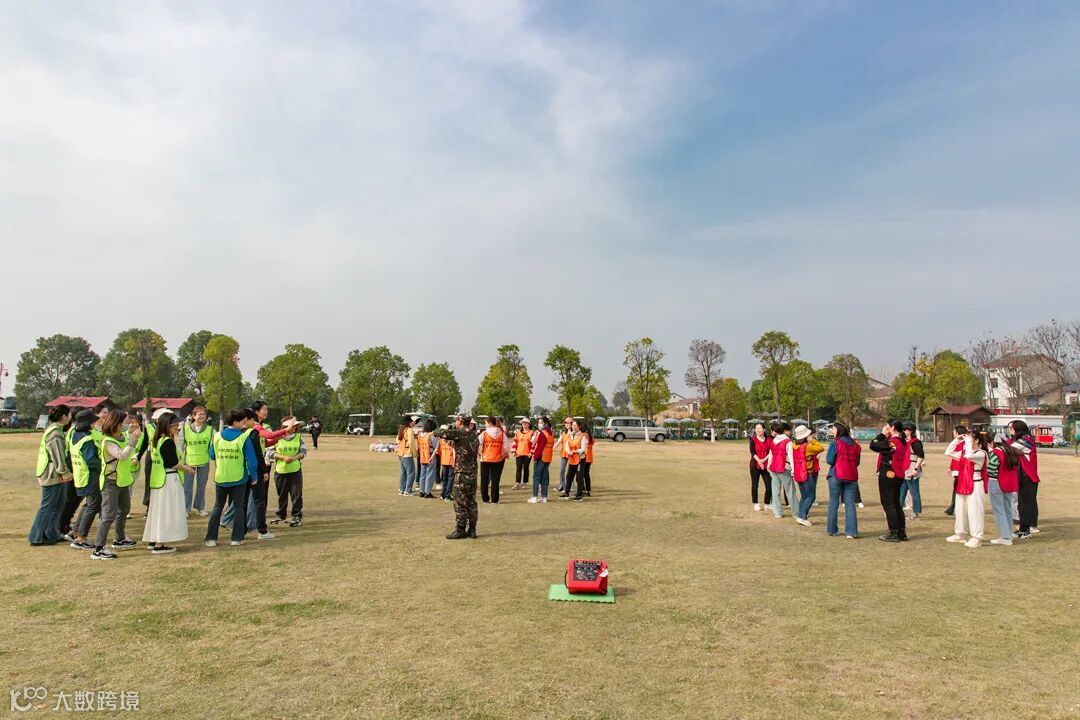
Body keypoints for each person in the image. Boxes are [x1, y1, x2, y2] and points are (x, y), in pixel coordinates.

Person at [91, 410, 141, 560]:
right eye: (123, 422)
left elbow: (125, 442)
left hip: (123, 480)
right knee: (108, 514)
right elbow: (122, 455)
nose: (126, 424)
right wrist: (133, 440)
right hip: (110, 481)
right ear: (116, 424)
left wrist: (130, 435)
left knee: (124, 509)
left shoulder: (121, 436)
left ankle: (120, 538)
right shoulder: (108, 441)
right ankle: (99, 548)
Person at [206, 409, 259, 547]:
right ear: (235, 422)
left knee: (218, 507)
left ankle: (211, 539)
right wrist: (254, 476)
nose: (244, 423)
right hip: (239, 478)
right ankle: (237, 538)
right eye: (241, 421)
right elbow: (251, 460)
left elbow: (212, 455)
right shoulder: (243, 437)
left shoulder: (217, 436)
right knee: (238, 507)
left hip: (221, 477)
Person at [143, 412, 191, 554]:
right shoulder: (167, 442)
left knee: (158, 511)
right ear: (168, 426)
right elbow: (172, 463)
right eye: (175, 425)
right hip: (168, 480)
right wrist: (187, 468)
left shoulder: (157, 440)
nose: (177, 428)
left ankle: (154, 539)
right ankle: (159, 543)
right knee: (167, 511)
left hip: (159, 480)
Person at [29, 404, 72, 546]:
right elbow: (57, 456)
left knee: (58, 504)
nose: (70, 418)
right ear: (64, 416)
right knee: (47, 506)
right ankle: (36, 536)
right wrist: (64, 472)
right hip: (51, 474)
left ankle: (52, 533)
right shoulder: (55, 433)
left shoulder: (55, 430)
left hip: (54, 473)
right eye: (69, 415)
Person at [436, 415, 481, 539]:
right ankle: (472, 529)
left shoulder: (459, 433)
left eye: (456, 420)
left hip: (462, 473)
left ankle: (460, 529)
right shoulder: (474, 434)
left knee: (460, 501)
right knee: (471, 502)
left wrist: (449, 427)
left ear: (460, 422)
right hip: (473, 473)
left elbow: (437, 432)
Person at [945, 429, 988, 548]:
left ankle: (977, 537)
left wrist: (968, 441)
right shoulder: (964, 452)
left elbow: (969, 456)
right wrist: (957, 440)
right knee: (960, 510)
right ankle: (960, 534)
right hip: (963, 483)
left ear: (976, 440)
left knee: (975, 511)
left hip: (975, 484)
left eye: (970, 438)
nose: (967, 440)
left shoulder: (981, 453)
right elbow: (948, 452)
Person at [68, 409, 104, 551]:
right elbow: (91, 461)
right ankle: (81, 539)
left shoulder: (75, 435)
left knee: (89, 504)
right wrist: (104, 464)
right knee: (93, 506)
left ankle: (76, 531)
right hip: (90, 477)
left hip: (80, 476)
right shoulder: (87, 439)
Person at [870, 420, 909, 542]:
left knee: (888, 504)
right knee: (896, 504)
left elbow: (873, 445)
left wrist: (882, 434)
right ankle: (901, 531)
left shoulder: (892, 442)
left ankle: (894, 532)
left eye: (887, 426)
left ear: (892, 428)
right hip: (898, 474)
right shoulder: (902, 441)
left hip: (888, 474)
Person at [267, 417, 306, 527]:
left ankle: (297, 515)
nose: (295, 428)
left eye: (296, 426)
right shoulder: (277, 437)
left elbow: (303, 452)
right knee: (282, 494)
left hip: (295, 470)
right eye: (293, 426)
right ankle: (281, 515)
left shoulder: (298, 437)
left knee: (296, 494)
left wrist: (294, 458)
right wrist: (283, 457)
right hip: (280, 470)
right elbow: (270, 452)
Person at [825, 422, 862, 538]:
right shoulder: (856, 445)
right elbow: (857, 462)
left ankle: (832, 530)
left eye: (833, 429)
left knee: (833, 502)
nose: (832, 431)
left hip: (836, 474)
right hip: (851, 476)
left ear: (838, 431)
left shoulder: (835, 442)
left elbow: (830, 460)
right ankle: (851, 532)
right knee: (850, 504)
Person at [1008, 420, 1041, 539]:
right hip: (1024, 477)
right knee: (1023, 504)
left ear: (1018, 429)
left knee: (1026, 504)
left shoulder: (1026, 440)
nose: (1010, 431)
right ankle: (1024, 528)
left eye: (1011, 428)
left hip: (1028, 477)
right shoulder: (1023, 439)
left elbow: (1008, 449)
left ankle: (1025, 530)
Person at [987, 434, 1020, 546]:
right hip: (1009, 483)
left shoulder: (995, 453)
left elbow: (991, 468)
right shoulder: (1010, 452)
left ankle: (1005, 536)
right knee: (1007, 509)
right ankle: (1008, 534)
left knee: (999, 510)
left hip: (996, 482)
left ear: (993, 443)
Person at [181, 406, 214, 517]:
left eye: (204, 414)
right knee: (187, 487)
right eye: (199, 414)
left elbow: (214, 445)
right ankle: (186, 509)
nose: (202, 416)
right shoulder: (185, 429)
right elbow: (180, 446)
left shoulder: (210, 430)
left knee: (201, 486)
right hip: (189, 462)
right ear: (193, 416)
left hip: (204, 461)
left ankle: (200, 507)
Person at [793, 425, 824, 526]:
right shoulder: (807, 446)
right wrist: (812, 440)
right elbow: (820, 448)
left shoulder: (794, 445)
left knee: (804, 496)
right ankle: (802, 517)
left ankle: (800, 515)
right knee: (811, 496)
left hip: (799, 473)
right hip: (807, 473)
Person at [767, 422, 795, 519]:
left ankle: (777, 512)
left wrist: (768, 466)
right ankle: (796, 513)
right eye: (789, 430)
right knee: (790, 492)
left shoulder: (774, 440)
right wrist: (793, 470)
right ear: (785, 431)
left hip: (773, 468)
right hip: (784, 468)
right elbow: (791, 457)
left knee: (775, 492)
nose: (790, 432)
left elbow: (771, 455)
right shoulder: (788, 442)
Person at [899, 422, 925, 520]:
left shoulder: (916, 442)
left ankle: (916, 512)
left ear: (911, 431)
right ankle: (898, 511)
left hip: (912, 467)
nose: (904, 431)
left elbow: (920, 456)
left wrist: (916, 468)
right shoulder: (902, 441)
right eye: (903, 429)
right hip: (903, 468)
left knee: (914, 492)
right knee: (901, 492)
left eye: (906, 429)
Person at [479, 416, 507, 503]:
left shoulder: (484, 433)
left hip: (485, 458)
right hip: (497, 459)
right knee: (495, 480)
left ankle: (485, 498)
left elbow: (478, 443)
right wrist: (502, 455)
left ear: (490, 423)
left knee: (484, 480)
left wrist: (479, 453)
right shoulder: (502, 433)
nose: (485, 425)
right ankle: (495, 499)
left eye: (485, 423)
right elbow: (506, 447)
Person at [560, 418, 588, 501]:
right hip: (572, 459)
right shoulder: (570, 435)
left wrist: (575, 451)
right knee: (569, 476)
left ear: (579, 427)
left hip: (580, 459)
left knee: (579, 477)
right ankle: (566, 493)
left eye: (575, 425)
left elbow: (583, 449)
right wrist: (568, 451)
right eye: (573, 425)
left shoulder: (582, 436)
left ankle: (579, 495)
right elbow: (566, 445)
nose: (574, 427)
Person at [528, 416, 554, 504]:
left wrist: (535, 457)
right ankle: (544, 497)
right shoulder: (551, 432)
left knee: (536, 477)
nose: (539, 424)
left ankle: (535, 496)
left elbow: (539, 447)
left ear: (546, 423)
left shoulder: (543, 433)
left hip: (541, 458)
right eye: (539, 422)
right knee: (544, 478)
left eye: (541, 422)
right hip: (548, 457)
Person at [748, 422, 772, 512]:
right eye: (756, 428)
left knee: (769, 485)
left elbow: (771, 452)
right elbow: (752, 452)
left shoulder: (769, 440)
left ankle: (767, 504)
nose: (758, 430)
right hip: (755, 464)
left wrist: (763, 460)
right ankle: (756, 503)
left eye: (759, 428)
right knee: (755, 485)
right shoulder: (753, 439)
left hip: (766, 465)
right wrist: (759, 461)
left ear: (764, 429)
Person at [416, 418, 440, 499]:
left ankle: (422, 491)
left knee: (422, 474)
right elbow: (436, 446)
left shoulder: (420, 435)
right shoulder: (431, 435)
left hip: (422, 456)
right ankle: (427, 492)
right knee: (430, 474)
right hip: (430, 456)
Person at [943, 426, 964, 516]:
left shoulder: (962, 443)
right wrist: (950, 467)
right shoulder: (958, 442)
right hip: (956, 468)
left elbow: (952, 454)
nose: (953, 432)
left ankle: (953, 507)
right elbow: (953, 457)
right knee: (956, 488)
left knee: (957, 489)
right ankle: (953, 507)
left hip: (960, 469)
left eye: (954, 431)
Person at [512, 419, 534, 490]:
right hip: (519, 453)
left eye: (526, 423)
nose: (524, 424)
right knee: (518, 468)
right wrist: (514, 451)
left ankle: (525, 483)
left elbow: (533, 443)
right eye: (523, 423)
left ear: (529, 424)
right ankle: (517, 483)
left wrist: (531, 452)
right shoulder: (518, 432)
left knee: (526, 469)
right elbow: (515, 441)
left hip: (527, 454)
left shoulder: (532, 432)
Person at [557, 417, 572, 493]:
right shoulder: (563, 433)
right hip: (563, 454)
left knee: (570, 472)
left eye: (568, 423)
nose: (567, 424)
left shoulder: (573, 433)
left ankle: (569, 487)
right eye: (565, 423)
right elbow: (559, 441)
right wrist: (552, 448)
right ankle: (562, 486)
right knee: (562, 471)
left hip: (571, 455)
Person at [439, 436, 456, 502]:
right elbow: (454, 452)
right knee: (450, 479)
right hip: (450, 462)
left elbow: (439, 451)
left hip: (444, 461)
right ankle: (447, 496)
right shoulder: (452, 442)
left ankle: (443, 495)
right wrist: (454, 462)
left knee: (445, 479)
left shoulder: (441, 441)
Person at [581, 426, 595, 497]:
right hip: (589, 457)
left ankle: (582, 489)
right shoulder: (590, 436)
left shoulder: (582, 435)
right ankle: (588, 490)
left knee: (580, 475)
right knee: (586, 474)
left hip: (584, 457)